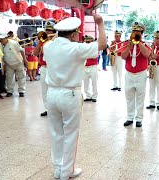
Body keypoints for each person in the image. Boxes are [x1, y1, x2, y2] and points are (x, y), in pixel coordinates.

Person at [43, 15, 106, 179]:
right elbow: (102, 45)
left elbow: (49, 46)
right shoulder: (76, 48)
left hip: (51, 93)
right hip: (69, 94)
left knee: (56, 133)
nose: (78, 36)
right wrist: (100, 24)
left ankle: (58, 169)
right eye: (77, 33)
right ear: (72, 35)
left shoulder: (48, 47)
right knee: (70, 134)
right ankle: (66, 172)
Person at [121, 22, 151, 128]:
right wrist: (129, 46)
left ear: (141, 34)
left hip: (141, 74)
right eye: (133, 31)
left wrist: (139, 43)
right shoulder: (126, 44)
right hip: (129, 74)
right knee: (129, 96)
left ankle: (139, 119)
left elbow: (147, 54)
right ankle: (130, 117)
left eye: (137, 32)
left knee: (140, 97)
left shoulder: (145, 45)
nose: (135, 33)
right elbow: (123, 57)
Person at [33, 21, 56, 117]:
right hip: (44, 68)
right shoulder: (43, 41)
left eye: (50, 31)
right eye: (46, 30)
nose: (47, 32)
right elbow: (34, 53)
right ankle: (48, 109)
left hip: (53, 68)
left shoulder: (56, 40)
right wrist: (39, 42)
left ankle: (55, 109)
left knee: (54, 89)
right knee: (45, 90)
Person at [0, 33, 28, 97]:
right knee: (9, 78)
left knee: (21, 77)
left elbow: (21, 51)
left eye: (2, 39)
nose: (0, 41)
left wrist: (25, 60)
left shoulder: (13, 43)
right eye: (0, 39)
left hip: (18, 63)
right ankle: (9, 91)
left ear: (6, 38)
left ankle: (21, 91)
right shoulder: (0, 45)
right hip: (8, 64)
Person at [83, 35, 99, 102]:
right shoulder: (83, 48)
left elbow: (94, 57)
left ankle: (94, 96)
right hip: (84, 67)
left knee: (94, 82)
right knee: (85, 83)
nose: (87, 43)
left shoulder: (95, 48)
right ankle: (88, 96)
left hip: (93, 67)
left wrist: (86, 54)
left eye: (89, 41)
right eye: (86, 41)